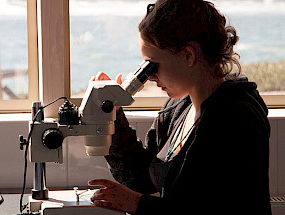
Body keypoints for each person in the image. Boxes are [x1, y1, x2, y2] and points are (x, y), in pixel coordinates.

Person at [87, 0, 272, 214]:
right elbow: (143, 177)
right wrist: (113, 116)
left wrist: (138, 204)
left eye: (153, 65)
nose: (150, 77)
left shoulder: (236, 117)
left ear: (188, 55)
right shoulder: (179, 106)